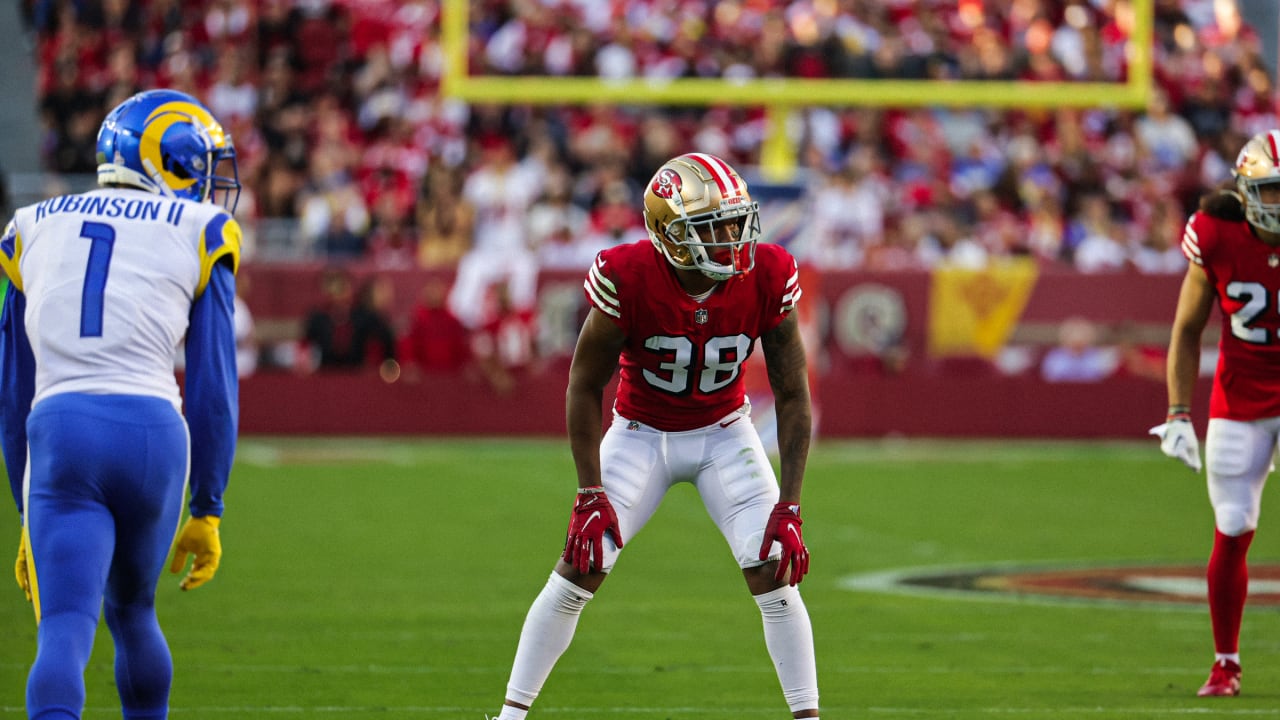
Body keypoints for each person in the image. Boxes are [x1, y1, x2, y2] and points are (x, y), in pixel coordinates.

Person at [491, 153, 820, 719]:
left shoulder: (767, 273)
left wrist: (790, 503)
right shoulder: (629, 274)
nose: (731, 239)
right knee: (581, 563)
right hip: (640, 433)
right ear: (670, 234)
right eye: (712, 228)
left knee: (773, 568)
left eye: (735, 222)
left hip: (725, 433)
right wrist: (589, 492)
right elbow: (583, 384)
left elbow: (793, 394)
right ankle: (511, 716)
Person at [0, 88, 241, 718]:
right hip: (151, 433)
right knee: (134, 613)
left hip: (63, 429)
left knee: (63, 630)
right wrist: (208, 505)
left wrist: (24, 507)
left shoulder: (32, 224)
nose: (208, 184)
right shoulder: (201, 228)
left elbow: (12, 390)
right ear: (166, 160)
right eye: (198, 166)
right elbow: (214, 384)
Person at [1149, 129, 1280, 698]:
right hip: (1241, 397)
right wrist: (1179, 412)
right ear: (1247, 189)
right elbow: (1185, 328)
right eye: (1274, 191)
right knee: (1232, 526)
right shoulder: (1214, 231)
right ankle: (1225, 663)